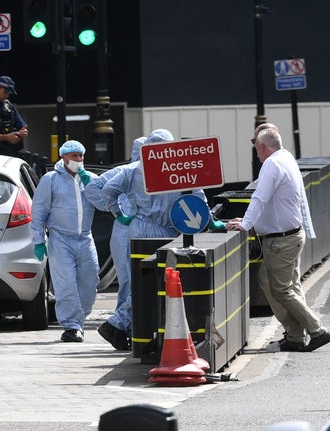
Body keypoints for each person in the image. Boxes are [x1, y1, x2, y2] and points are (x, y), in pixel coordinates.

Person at [98, 129, 219, 350]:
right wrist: (211, 222)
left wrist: (119, 214)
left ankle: (128, 328)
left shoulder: (133, 169)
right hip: (163, 232)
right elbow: (197, 198)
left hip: (137, 227)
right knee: (157, 283)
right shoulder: (178, 168)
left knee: (140, 281)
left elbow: (107, 191)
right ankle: (118, 324)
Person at [227, 126, 330, 352]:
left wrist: (245, 224)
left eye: (253, 141)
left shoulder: (271, 165)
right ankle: (295, 335)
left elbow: (260, 198)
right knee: (273, 282)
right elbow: (273, 203)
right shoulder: (286, 158)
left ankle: (317, 330)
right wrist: (248, 220)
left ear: (261, 146)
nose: (254, 146)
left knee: (283, 289)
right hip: (290, 236)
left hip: (281, 240)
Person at [30, 140, 100, 342]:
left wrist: (91, 186)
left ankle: (79, 319)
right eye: (74, 155)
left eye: (81, 155)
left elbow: (103, 204)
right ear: (64, 157)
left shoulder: (91, 179)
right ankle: (71, 326)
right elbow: (39, 209)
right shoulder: (50, 179)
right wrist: (38, 240)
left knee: (90, 282)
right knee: (66, 284)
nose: (78, 160)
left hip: (85, 238)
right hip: (60, 238)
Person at [83, 136, 146, 350]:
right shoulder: (126, 171)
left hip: (133, 227)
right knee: (130, 281)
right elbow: (94, 188)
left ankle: (127, 328)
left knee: (131, 281)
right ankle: (122, 327)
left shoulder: (155, 171)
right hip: (127, 228)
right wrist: (117, 212)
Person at [0, 75, 48, 174]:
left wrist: (21, 133)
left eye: (9, 93)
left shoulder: (9, 107)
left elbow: (23, 127)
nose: (7, 95)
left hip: (10, 157)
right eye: (5, 92)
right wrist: (6, 137)